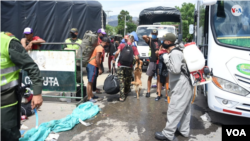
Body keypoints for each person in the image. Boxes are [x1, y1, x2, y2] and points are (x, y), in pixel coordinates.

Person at [0, 32, 43, 141]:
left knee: (8, 135)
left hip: (6, 104)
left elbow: (31, 67)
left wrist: (37, 93)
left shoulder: (7, 42)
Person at [155, 33, 193, 141]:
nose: (162, 42)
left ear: (168, 42)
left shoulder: (175, 53)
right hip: (186, 84)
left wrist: (166, 58)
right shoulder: (178, 51)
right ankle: (183, 130)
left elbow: (175, 70)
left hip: (181, 84)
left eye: (164, 41)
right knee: (185, 109)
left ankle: (168, 134)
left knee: (174, 108)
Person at [113, 35, 139, 102]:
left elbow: (117, 52)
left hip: (121, 65)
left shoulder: (122, 45)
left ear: (127, 40)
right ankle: (126, 92)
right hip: (129, 66)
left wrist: (114, 59)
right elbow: (137, 58)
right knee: (128, 80)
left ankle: (122, 97)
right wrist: (136, 64)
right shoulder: (134, 47)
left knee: (121, 80)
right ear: (133, 40)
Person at [86, 37, 108, 103]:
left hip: (92, 65)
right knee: (90, 82)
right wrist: (100, 68)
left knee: (91, 82)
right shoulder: (100, 48)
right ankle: (89, 97)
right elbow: (97, 59)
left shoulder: (99, 47)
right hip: (93, 65)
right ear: (106, 43)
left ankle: (91, 95)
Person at [143, 29, 161, 97]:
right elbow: (144, 36)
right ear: (151, 33)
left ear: (157, 34)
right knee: (150, 76)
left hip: (158, 61)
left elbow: (161, 48)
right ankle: (148, 91)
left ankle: (158, 91)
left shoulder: (159, 41)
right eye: (153, 34)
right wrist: (149, 37)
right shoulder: (150, 41)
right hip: (152, 61)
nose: (154, 35)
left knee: (159, 77)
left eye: (155, 34)